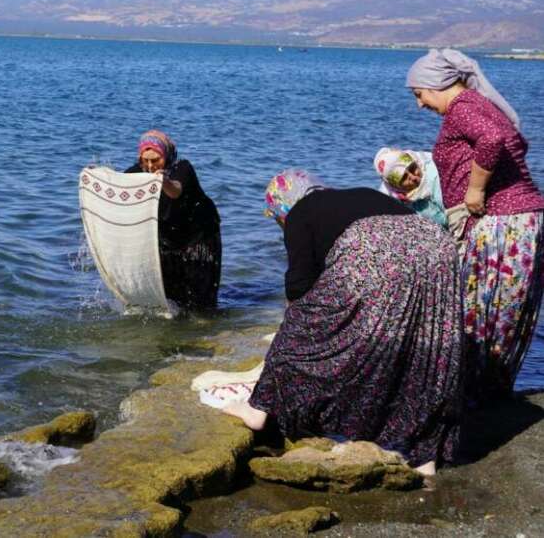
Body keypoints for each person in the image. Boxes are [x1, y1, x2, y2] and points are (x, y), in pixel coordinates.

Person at [222, 169, 463, 475]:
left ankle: (258, 409)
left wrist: (291, 340)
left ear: (284, 204)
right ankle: (424, 454)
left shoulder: (299, 213)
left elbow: (298, 289)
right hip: (439, 248)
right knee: (420, 351)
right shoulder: (361, 194)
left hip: (377, 247)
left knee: (301, 323)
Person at [407, 48, 544, 402]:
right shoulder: (481, 105)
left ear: (434, 85)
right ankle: (487, 393)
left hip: (502, 224)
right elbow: (514, 139)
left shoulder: (463, 107)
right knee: (500, 313)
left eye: (418, 95)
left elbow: (493, 140)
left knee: (477, 313)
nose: (420, 105)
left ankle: (471, 397)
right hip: (520, 221)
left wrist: (475, 190)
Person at [124, 130, 221, 309]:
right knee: (172, 296)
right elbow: (120, 185)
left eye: (156, 160)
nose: (150, 165)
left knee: (201, 298)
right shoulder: (137, 172)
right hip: (169, 237)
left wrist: (164, 181)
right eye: (145, 160)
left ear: (166, 156)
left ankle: (206, 329)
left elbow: (175, 191)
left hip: (200, 236)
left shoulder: (182, 168)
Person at [372, 147, 448, 228]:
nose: (413, 177)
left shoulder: (434, 173)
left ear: (416, 162)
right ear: (397, 186)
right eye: (404, 178)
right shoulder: (399, 203)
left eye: (412, 168)